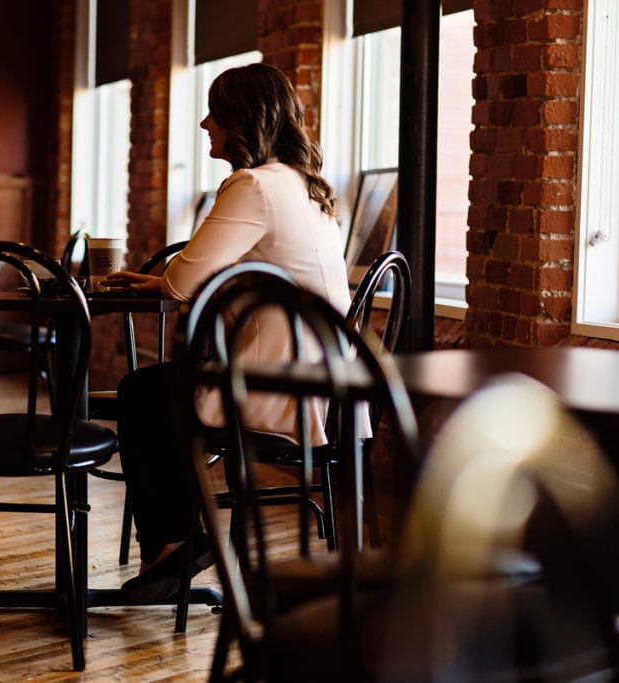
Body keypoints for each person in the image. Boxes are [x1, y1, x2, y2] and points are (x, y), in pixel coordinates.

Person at [102, 63, 360, 601]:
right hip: (327, 380)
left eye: (214, 114)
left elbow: (184, 282)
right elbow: (198, 280)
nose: (203, 124)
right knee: (158, 393)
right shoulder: (302, 184)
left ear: (241, 120)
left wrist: (162, 283)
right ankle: (172, 547)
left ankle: (171, 548)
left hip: (277, 384)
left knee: (142, 392)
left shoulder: (254, 185)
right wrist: (158, 283)